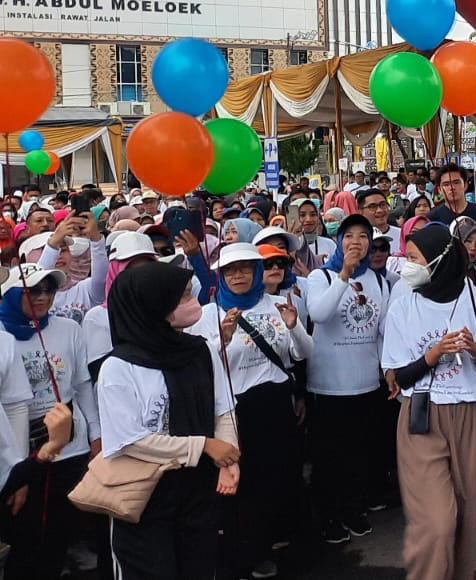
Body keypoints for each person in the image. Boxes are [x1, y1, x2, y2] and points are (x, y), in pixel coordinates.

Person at [97, 262, 240, 580]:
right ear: (153, 305)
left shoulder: (200, 351)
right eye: (183, 296)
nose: (192, 301)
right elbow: (130, 440)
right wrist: (204, 446)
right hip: (144, 498)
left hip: (196, 492)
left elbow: (223, 409)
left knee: (199, 568)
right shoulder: (119, 368)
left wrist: (229, 455)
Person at [382, 224, 476, 580]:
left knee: (467, 513)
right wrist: (432, 355)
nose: (406, 265)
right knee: (436, 522)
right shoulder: (403, 304)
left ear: (439, 261)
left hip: (471, 412)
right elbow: (398, 378)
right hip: (422, 416)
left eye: (413, 259)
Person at [191, 242, 310, 580]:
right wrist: (222, 341)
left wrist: (293, 326)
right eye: (230, 270)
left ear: (257, 271)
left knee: (278, 476)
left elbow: (303, 354)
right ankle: (245, 553)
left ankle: (272, 543)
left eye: (245, 268)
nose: (238, 275)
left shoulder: (278, 304)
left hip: (275, 405)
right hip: (236, 409)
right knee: (242, 484)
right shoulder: (207, 314)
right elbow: (202, 369)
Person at [0, 263, 99, 579]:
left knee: (60, 528)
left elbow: (82, 385)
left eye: (50, 290)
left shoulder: (68, 329)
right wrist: (18, 471)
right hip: (21, 445)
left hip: (70, 445)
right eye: (33, 290)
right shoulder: (2, 338)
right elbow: (13, 407)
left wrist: (95, 436)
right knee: (24, 533)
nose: (43, 297)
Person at [301, 213, 387, 544]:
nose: (356, 242)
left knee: (358, 452)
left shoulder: (379, 281)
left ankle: (353, 508)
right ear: (339, 241)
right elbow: (320, 314)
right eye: (349, 236)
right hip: (329, 385)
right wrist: (344, 275)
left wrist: (386, 371)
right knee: (328, 456)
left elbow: (383, 330)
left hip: (366, 382)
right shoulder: (320, 277)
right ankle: (327, 514)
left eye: (363, 236)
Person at [428, 166, 476, 255]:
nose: (452, 188)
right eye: (446, 184)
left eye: (456, 182)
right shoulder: (432, 218)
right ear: (439, 190)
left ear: (465, 185)